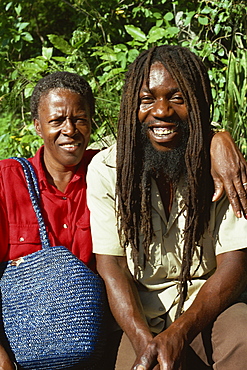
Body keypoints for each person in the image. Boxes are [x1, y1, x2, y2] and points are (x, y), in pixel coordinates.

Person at [87, 45, 247, 370]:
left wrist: (179, 334)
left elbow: (234, 263)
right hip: (141, 318)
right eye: (147, 99)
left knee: (243, 337)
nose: (161, 111)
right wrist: (145, 344)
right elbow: (113, 269)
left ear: (198, 103)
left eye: (177, 98)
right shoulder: (108, 170)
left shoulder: (222, 166)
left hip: (209, 309)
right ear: (133, 106)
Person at [0, 71, 99, 370]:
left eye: (79, 119)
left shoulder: (107, 173)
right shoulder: (8, 179)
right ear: (38, 126)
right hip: (21, 351)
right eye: (57, 121)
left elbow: (168, 148)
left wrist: (219, 141)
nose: (69, 130)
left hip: (95, 342)